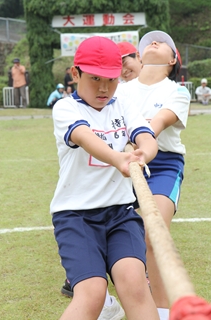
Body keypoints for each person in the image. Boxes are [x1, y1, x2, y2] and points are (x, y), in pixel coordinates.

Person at [50, 36, 159, 320]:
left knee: (135, 284)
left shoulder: (122, 103)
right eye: (95, 78)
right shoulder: (65, 108)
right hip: (76, 216)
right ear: (76, 74)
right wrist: (118, 158)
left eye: (110, 80)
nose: (103, 88)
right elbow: (84, 137)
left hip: (121, 214)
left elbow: (146, 136)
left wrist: (143, 154)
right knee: (93, 293)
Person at [115, 30, 191, 320]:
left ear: (173, 59)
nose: (154, 43)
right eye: (148, 42)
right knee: (111, 234)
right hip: (122, 164)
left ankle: (160, 310)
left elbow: (159, 121)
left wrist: (143, 145)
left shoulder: (177, 91)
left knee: (153, 234)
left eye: (164, 43)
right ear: (140, 56)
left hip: (162, 165)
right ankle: (104, 299)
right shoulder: (120, 90)